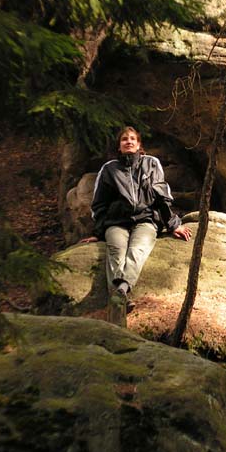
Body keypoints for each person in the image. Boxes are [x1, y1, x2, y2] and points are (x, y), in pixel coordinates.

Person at [80, 126, 191, 313]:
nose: (129, 141)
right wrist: (97, 233)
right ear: (119, 146)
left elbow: (161, 195)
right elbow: (100, 205)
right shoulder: (109, 169)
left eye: (132, 138)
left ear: (139, 144)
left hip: (145, 219)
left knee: (138, 249)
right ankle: (120, 296)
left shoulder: (151, 164)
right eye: (124, 139)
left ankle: (120, 290)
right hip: (116, 222)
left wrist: (173, 225)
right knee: (116, 250)